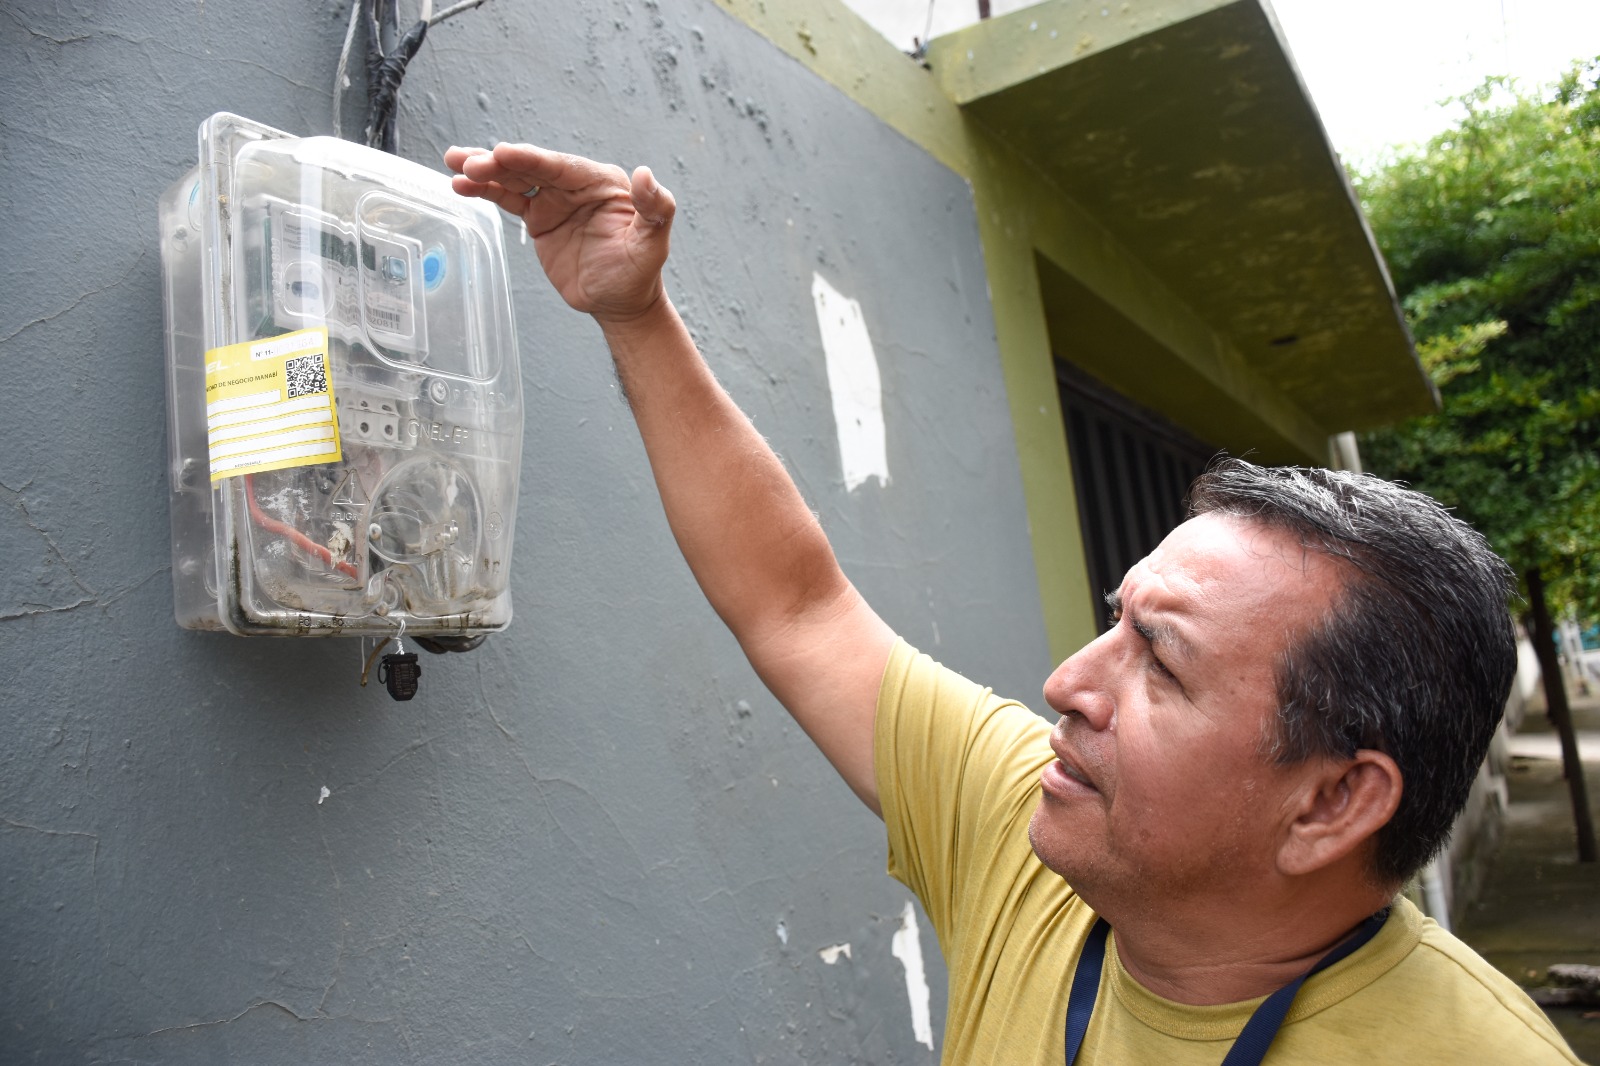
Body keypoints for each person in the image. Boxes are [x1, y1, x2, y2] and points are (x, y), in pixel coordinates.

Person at [445, 142, 1581, 1064]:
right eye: (1116, 619)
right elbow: (797, 607)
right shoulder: (1027, 833)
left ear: (1332, 800)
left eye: (1163, 665)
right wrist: (635, 316)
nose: (1066, 685)